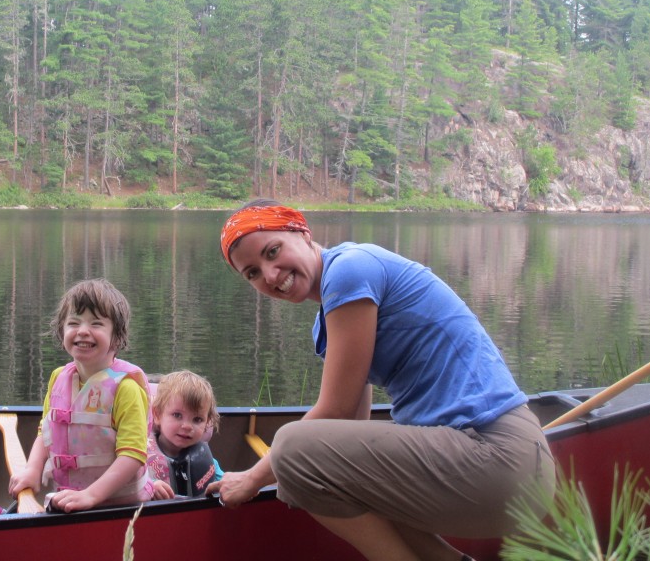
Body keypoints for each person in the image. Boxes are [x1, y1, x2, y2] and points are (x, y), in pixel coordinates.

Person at [207, 200, 556, 561]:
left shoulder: (350, 269)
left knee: (291, 447)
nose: (270, 274)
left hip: (498, 455)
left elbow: (334, 410)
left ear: (301, 231)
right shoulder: (327, 321)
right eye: (252, 273)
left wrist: (251, 479)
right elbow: (345, 429)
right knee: (318, 472)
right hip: (482, 465)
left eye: (273, 251)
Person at [8, 278, 157, 512]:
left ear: (117, 337)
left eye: (96, 324)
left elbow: (133, 455)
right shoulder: (59, 378)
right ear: (62, 331)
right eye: (73, 323)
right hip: (72, 499)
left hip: (121, 507)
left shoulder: (126, 388)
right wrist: (33, 470)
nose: (83, 331)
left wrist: (91, 496)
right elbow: (45, 432)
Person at [147, 370, 224, 498]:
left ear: (207, 422)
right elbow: (127, 482)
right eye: (177, 415)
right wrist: (150, 485)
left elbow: (225, 483)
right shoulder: (140, 455)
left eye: (197, 419)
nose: (187, 426)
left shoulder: (205, 459)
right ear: (157, 415)